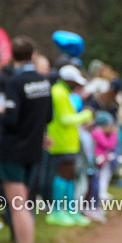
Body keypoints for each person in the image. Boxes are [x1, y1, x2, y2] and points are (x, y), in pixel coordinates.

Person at [0, 37, 53, 243]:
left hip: (13, 151)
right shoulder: (44, 82)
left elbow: (11, 119)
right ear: (32, 56)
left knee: (18, 206)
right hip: (34, 151)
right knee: (25, 204)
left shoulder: (14, 83)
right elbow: (48, 116)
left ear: (12, 57)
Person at [45, 65, 93, 226]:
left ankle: (70, 210)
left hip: (69, 141)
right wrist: (86, 115)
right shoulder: (59, 93)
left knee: (70, 175)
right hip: (61, 140)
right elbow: (66, 119)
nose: (77, 86)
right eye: (75, 82)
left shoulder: (64, 92)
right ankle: (57, 211)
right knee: (63, 174)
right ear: (68, 80)